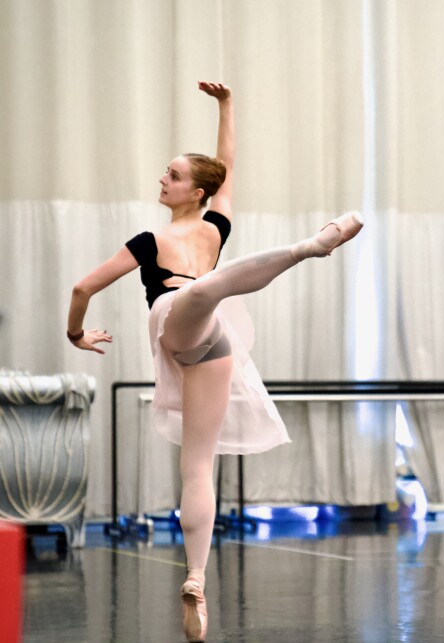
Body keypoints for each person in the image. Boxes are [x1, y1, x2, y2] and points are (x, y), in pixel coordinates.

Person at [66, 81, 363, 642]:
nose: (162, 179)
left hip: (193, 329)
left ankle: (197, 579)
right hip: (201, 319)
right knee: (206, 293)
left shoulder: (150, 239)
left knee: (199, 466)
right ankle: (306, 248)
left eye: (172, 175)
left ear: (196, 191)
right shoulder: (213, 226)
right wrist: (227, 106)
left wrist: (74, 332)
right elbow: (225, 164)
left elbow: (83, 286)